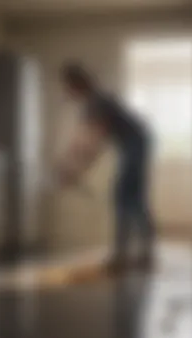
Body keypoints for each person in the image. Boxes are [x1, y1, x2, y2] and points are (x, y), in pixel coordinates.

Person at [58, 62, 155, 273]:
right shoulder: (91, 103)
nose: (66, 92)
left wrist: (76, 171)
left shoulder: (97, 101)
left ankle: (125, 255)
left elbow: (95, 141)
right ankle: (141, 254)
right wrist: (68, 164)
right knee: (131, 196)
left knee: (124, 195)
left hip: (137, 141)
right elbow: (81, 140)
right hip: (133, 143)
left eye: (67, 87)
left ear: (76, 85)